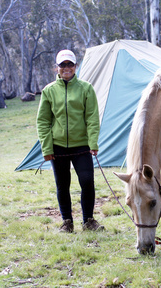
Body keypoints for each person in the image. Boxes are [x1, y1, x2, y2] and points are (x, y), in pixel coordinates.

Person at [37, 49, 104, 233]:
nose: (66, 68)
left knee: (87, 181)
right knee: (62, 185)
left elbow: (92, 118)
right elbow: (43, 121)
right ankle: (67, 222)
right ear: (56, 68)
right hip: (58, 147)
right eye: (62, 65)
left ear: (76, 67)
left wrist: (93, 143)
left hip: (82, 146)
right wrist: (46, 148)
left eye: (70, 64)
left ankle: (88, 221)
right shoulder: (49, 91)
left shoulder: (86, 88)